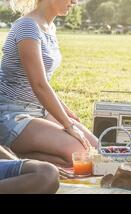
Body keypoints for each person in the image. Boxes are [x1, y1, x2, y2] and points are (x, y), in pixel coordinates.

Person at [0, 0, 97, 167]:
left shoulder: (49, 27)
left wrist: (66, 112)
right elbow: (39, 85)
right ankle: (10, 156)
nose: (74, 2)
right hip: (12, 114)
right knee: (80, 156)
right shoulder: (27, 27)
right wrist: (67, 125)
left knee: (95, 148)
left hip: (39, 109)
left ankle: (18, 156)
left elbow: (44, 82)